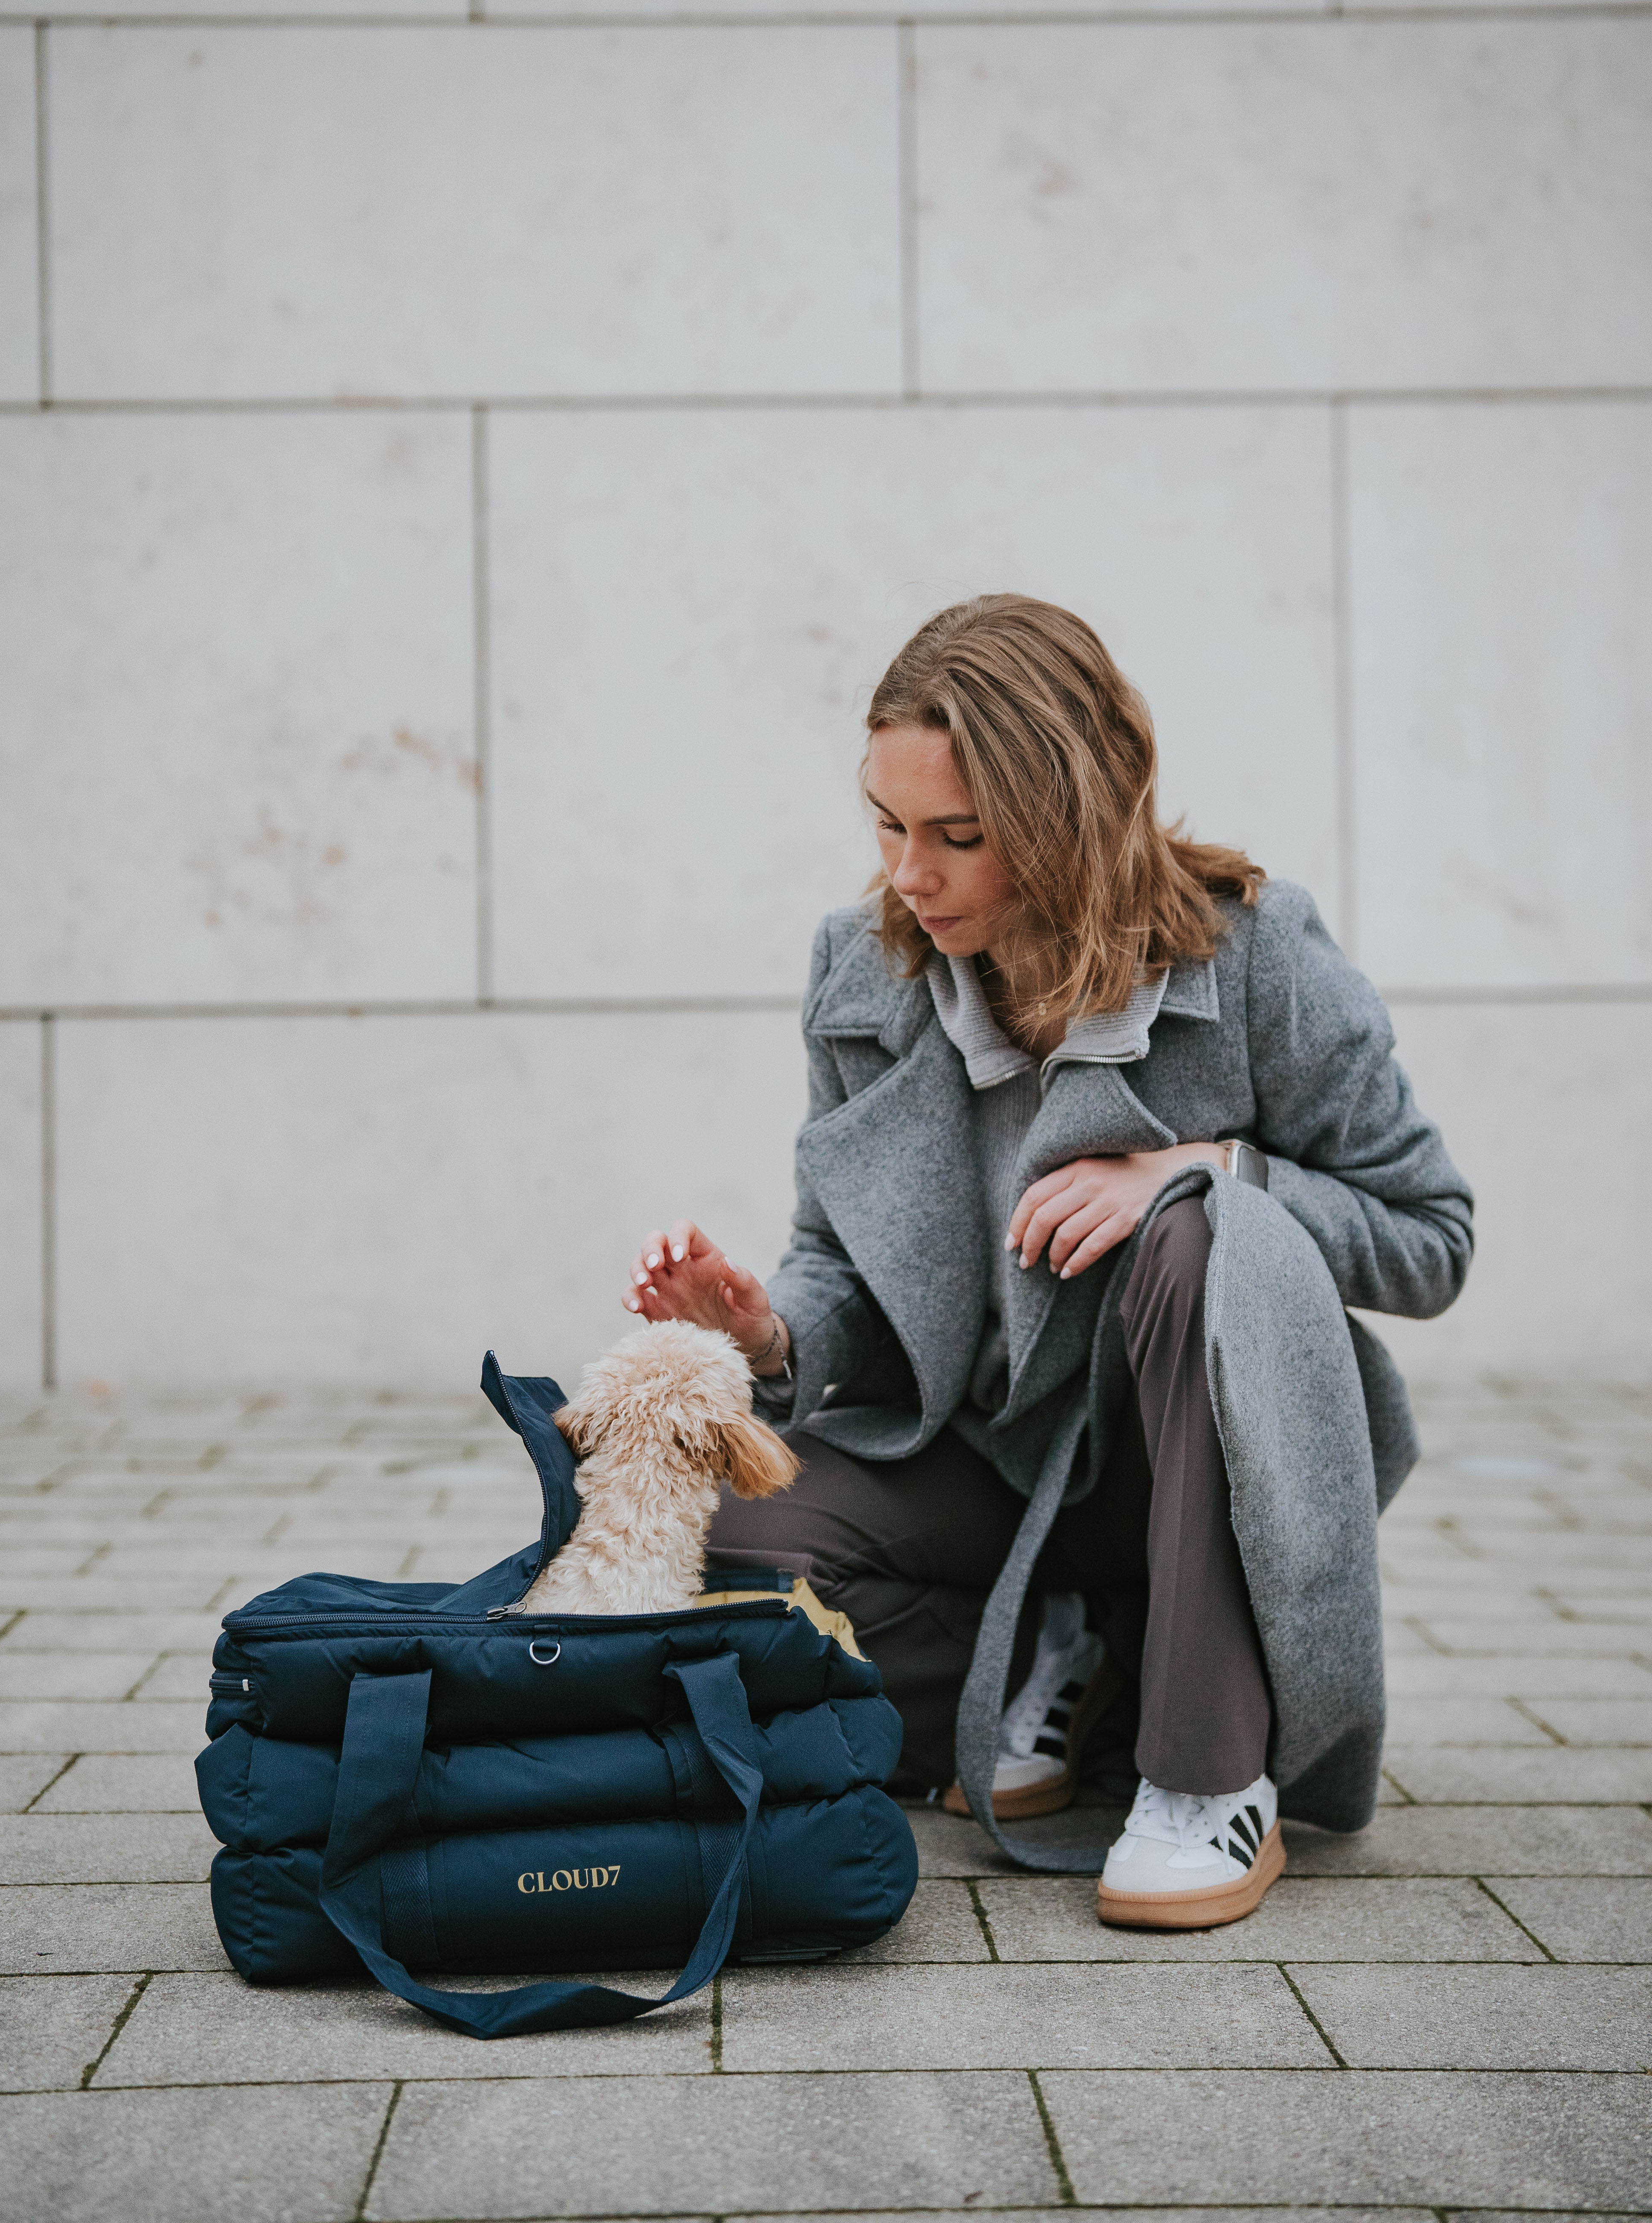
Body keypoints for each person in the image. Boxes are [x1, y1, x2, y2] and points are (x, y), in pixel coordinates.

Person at [620, 595, 1472, 1929]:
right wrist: (765, 1332)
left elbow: (1431, 1237)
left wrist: (1201, 1171)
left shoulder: (1254, 955)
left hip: (1205, 1457)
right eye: (888, 824)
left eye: (958, 836)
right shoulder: (862, 971)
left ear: (1072, 816)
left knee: (1197, 1228)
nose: (910, 872)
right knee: (701, 1545)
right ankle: (1064, 1657)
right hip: (990, 1462)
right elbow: (836, 1264)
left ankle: (1205, 1774)